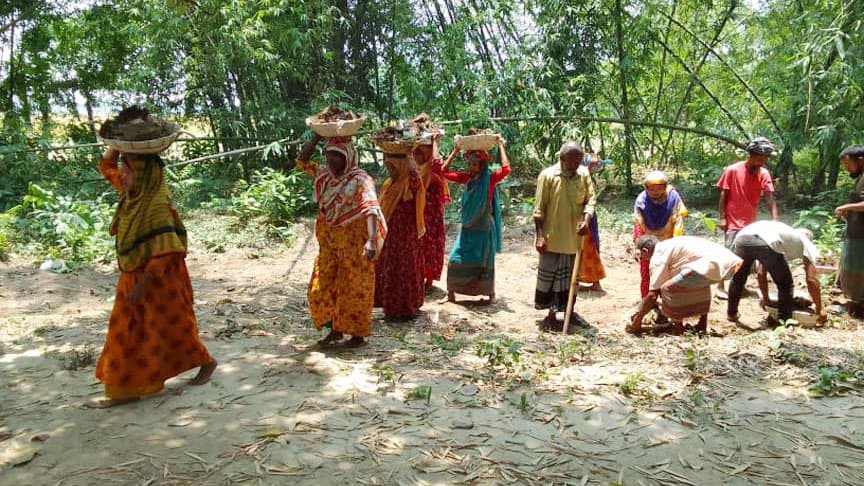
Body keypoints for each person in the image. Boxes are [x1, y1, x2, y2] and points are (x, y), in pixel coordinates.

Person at [93, 130, 216, 408]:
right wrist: (115, 144)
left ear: (144, 175)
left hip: (161, 281)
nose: (122, 174)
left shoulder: (157, 206)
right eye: (124, 168)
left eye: (129, 169)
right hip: (132, 277)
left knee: (171, 329)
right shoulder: (132, 193)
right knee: (126, 332)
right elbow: (106, 167)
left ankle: (205, 362)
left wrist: (142, 286)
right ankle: (125, 388)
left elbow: (166, 252)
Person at [296, 134, 387, 347]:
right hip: (329, 243)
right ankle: (334, 329)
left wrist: (372, 240)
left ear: (348, 157)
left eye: (337, 156)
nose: (331, 160)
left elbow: (370, 209)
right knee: (321, 288)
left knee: (355, 288)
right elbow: (302, 161)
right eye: (328, 155)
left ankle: (357, 334)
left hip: (355, 243)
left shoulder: (360, 180)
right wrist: (316, 136)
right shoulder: (323, 176)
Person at [439, 134, 510, 304]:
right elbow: (443, 172)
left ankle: (490, 294)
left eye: (474, 164)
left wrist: (501, 145)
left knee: (484, 262)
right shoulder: (466, 179)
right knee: (456, 258)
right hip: (468, 228)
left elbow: (506, 170)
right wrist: (456, 150)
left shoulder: (490, 180)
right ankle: (451, 293)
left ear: (482, 165)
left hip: (484, 228)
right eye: (469, 163)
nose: (471, 167)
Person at [534, 142, 597, 329]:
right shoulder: (547, 176)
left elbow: (590, 199)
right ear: (562, 159)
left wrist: (586, 220)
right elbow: (539, 209)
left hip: (575, 237)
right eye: (572, 161)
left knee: (572, 278)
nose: (576, 164)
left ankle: (569, 310)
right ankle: (551, 314)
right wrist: (540, 236)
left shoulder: (584, 174)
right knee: (551, 277)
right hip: (552, 236)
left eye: (579, 160)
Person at [630, 235, 742, 335]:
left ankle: (678, 327)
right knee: (698, 282)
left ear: (645, 250)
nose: (642, 258)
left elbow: (653, 294)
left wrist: (638, 320)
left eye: (641, 255)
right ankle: (702, 323)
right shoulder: (669, 245)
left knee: (668, 288)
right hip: (728, 262)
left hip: (710, 265)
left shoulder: (658, 256)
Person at [726, 221, 825, 324]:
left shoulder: (783, 234)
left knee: (738, 278)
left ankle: (731, 313)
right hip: (764, 242)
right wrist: (819, 308)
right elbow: (811, 279)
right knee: (785, 284)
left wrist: (766, 299)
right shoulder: (805, 241)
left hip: (742, 238)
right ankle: (784, 321)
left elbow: (761, 273)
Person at [716, 137, 779, 297]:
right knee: (728, 253)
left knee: (745, 257)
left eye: (765, 158)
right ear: (751, 155)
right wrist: (722, 217)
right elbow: (724, 193)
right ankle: (720, 286)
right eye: (760, 158)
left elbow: (769, 196)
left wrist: (775, 218)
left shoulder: (764, 173)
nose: (763, 161)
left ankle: (740, 286)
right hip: (732, 219)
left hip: (751, 223)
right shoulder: (732, 170)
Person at [374, 151, 426, 319]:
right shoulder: (390, 184)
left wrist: (409, 154)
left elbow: (416, 178)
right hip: (390, 236)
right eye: (388, 167)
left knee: (405, 269)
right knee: (390, 268)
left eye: (392, 167)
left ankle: (406, 307)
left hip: (406, 237)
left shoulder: (408, 184)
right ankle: (391, 307)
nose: (389, 171)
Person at [634, 171, 688, 297]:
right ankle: (647, 301)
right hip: (648, 241)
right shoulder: (641, 201)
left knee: (669, 272)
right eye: (652, 189)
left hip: (668, 240)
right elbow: (637, 224)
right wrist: (638, 246)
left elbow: (679, 222)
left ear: (665, 187)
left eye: (659, 189)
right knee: (647, 271)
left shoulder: (673, 198)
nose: (655, 192)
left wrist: (676, 244)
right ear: (646, 189)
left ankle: (668, 301)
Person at [413, 131, 450, 290]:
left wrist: (434, 141)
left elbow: (436, 162)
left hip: (432, 215)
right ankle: (419, 275)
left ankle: (429, 279)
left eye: (419, 154)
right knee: (420, 245)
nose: (416, 157)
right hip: (420, 213)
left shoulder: (432, 170)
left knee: (431, 245)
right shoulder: (415, 170)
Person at [836, 145, 864, 317]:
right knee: (854, 268)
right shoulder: (860, 177)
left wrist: (845, 206)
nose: (846, 169)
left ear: (860, 160)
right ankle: (856, 303)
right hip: (856, 232)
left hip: (862, 235)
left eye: (848, 164)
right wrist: (848, 212)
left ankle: (858, 306)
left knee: (859, 270)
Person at [577, 154, 608, 291]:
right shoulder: (578, 176)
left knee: (591, 247)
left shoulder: (587, 178)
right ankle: (576, 279)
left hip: (587, 216)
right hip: (576, 215)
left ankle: (595, 281)